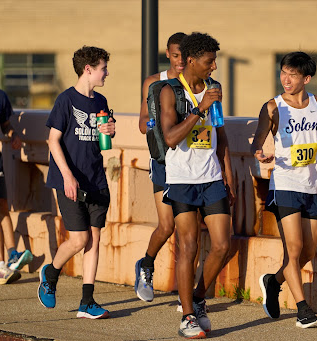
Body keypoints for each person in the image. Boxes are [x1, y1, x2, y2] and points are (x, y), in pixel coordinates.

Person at [251, 51, 317, 329]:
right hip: (284, 185)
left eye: (293, 74)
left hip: (311, 186)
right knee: (293, 250)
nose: (286, 79)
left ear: (306, 78)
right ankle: (303, 310)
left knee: (308, 251)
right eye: (283, 72)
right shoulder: (273, 107)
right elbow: (258, 140)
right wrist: (259, 153)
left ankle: (273, 281)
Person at [160, 32, 235, 339]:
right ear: (191, 61)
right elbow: (170, 137)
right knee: (188, 247)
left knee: (221, 245)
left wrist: (228, 174)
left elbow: (220, 133)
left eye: (214, 61)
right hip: (182, 180)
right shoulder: (170, 92)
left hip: (212, 178)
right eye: (209, 61)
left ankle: (199, 298)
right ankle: (187, 316)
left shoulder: (214, 88)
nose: (214, 67)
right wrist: (199, 108)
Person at [37, 46, 115, 319]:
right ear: (88, 69)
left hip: (96, 179)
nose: (107, 72)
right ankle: (51, 272)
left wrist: (109, 129)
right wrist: (68, 177)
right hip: (69, 180)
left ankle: (87, 302)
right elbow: (53, 140)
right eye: (103, 68)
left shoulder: (101, 101)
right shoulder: (65, 100)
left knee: (94, 239)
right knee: (79, 239)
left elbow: (101, 142)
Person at [134, 32, 187, 304]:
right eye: (175, 55)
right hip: (164, 161)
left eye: (184, 56)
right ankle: (146, 265)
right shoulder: (154, 82)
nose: (180, 61)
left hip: (193, 164)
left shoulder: (196, 84)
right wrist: (156, 122)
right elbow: (142, 122)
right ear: (168, 53)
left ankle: (187, 295)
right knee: (167, 226)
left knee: (190, 229)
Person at [0, 87, 33, 284]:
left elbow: (5, 124)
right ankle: (0, 266)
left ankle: (11, 255)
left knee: (2, 205)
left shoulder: (0, 96)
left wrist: (13, 134)